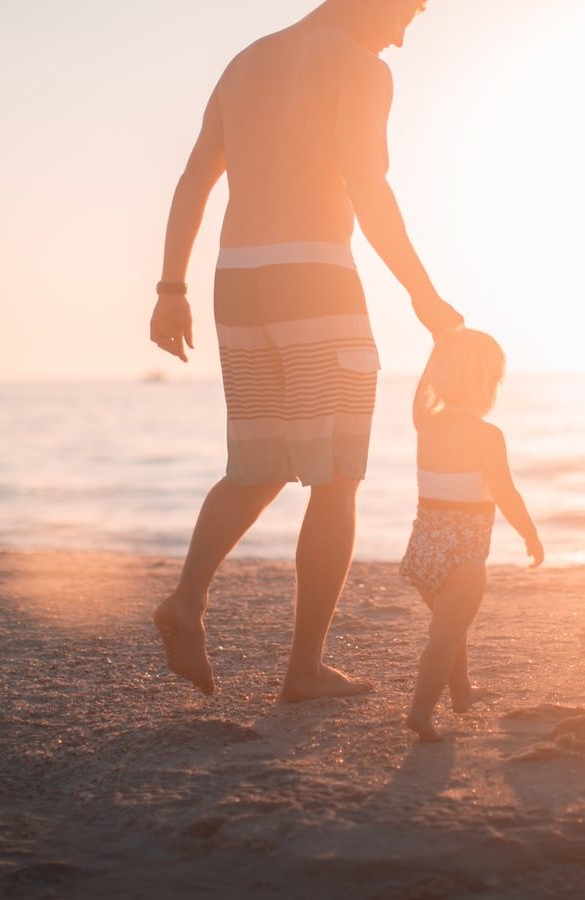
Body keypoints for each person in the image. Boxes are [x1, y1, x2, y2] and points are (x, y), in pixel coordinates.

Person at [149, 0, 463, 699]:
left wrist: (171, 287)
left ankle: (186, 599)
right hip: (316, 280)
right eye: (408, 12)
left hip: (238, 282)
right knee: (336, 476)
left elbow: (195, 179)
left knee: (259, 464)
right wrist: (422, 294)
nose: (404, 36)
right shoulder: (360, 69)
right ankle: (303, 670)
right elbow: (367, 186)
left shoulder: (246, 62)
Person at [400, 329, 544, 741]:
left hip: (424, 549)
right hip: (464, 552)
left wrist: (438, 350)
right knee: (445, 636)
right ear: (487, 385)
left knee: (451, 624)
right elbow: (505, 493)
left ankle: (461, 692)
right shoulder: (487, 435)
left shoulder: (426, 424)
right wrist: (530, 535)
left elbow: (421, 392)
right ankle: (421, 712)